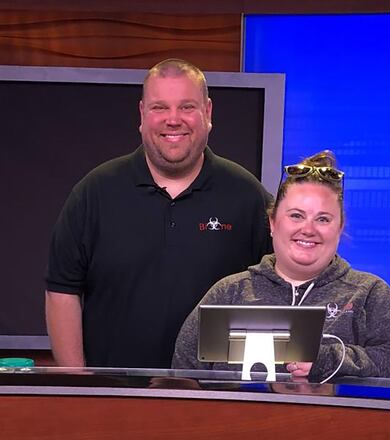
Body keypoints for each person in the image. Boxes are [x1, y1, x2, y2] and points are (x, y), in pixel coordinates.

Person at [45, 58, 273, 368]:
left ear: (208, 113)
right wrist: (80, 384)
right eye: (160, 108)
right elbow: (62, 291)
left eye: (187, 107)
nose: (173, 119)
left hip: (216, 400)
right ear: (142, 114)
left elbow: (283, 289)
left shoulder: (247, 195)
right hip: (115, 397)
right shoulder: (94, 192)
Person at [172, 151, 390, 382]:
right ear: (272, 223)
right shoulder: (228, 293)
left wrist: (329, 359)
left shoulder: (369, 294)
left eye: (323, 219)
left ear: (340, 228)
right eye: (296, 215)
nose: (308, 229)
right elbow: (183, 374)